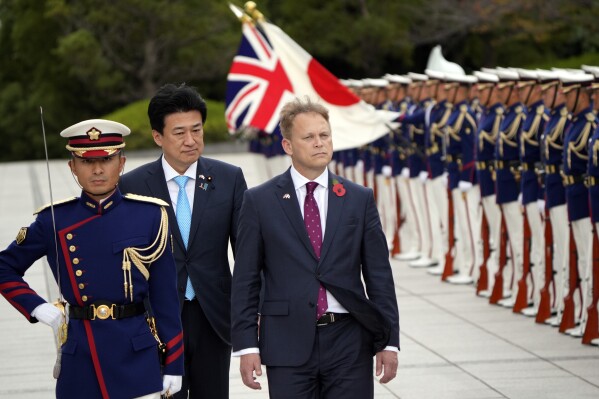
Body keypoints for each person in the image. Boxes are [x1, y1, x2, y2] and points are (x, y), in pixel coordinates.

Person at [0, 119, 183, 398]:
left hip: (136, 356)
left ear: (121, 163)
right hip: (80, 358)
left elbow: (166, 300)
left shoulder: (149, 216)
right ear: (72, 167)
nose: (97, 169)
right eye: (86, 162)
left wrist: (174, 363)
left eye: (107, 159)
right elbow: (5, 266)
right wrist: (36, 307)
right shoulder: (55, 219)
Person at [231, 97, 400, 399]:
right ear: (287, 146)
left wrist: (388, 341)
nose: (319, 143)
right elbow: (246, 279)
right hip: (286, 340)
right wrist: (246, 345)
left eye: (324, 135)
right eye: (308, 137)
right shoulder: (259, 201)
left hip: (349, 338)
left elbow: (379, 277)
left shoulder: (358, 199)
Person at [119, 83, 247, 399]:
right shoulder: (132, 185)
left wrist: (250, 313)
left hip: (214, 316)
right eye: (179, 133)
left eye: (197, 130)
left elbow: (246, 252)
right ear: (157, 136)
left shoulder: (229, 179)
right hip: (157, 318)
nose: (190, 141)